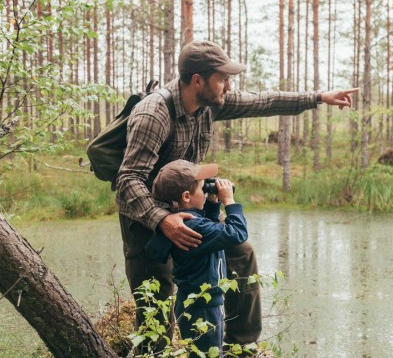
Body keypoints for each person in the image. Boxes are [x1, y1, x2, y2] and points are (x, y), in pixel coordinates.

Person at [116, 40, 356, 345]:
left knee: (240, 253)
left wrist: (319, 97)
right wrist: (163, 220)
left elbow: (264, 102)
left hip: (191, 214)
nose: (228, 86)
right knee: (156, 305)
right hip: (146, 219)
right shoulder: (153, 114)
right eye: (222, 78)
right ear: (197, 80)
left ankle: (240, 345)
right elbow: (128, 179)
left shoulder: (211, 103)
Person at [145, 160, 245, 356]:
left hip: (196, 302)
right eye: (203, 188)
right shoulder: (193, 226)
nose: (207, 190)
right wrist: (229, 201)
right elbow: (236, 233)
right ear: (186, 196)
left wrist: (212, 204)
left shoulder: (185, 222)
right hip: (205, 307)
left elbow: (210, 232)